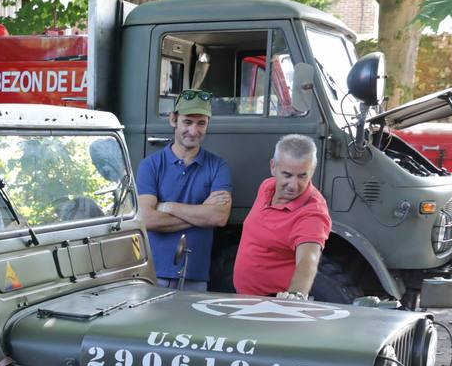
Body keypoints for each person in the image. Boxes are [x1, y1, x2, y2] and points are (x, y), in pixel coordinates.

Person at [136, 91, 232, 291]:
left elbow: (218, 217)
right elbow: (147, 219)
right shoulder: (150, 165)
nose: (194, 131)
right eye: (187, 122)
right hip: (154, 274)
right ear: (173, 120)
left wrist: (167, 206)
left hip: (195, 276)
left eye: (201, 123)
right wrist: (200, 214)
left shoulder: (218, 165)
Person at [232, 134, 332, 300]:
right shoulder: (267, 187)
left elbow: (308, 260)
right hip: (245, 297)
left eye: (302, 176)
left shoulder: (312, 212)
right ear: (273, 167)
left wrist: (295, 297)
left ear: (312, 171)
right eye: (287, 175)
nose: (293, 185)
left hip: (273, 305)